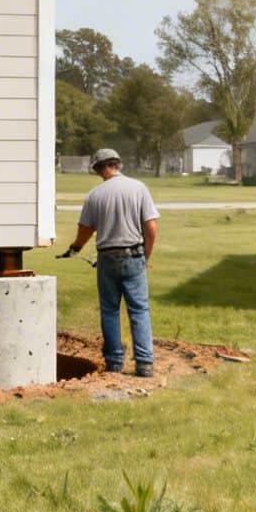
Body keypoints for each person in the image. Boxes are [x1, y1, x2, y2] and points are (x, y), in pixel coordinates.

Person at [59, 147, 160, 376]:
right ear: (117, 164)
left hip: (107, 258)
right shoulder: (139, 188)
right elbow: (151, 227)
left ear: (98, 168)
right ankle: (144, 363)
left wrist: (75, 248)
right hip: (133, 254)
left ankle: (114, 362)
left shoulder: (95, 195)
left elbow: (85, 230)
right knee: (139, 310)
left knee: (109, 311)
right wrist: (145, 255)